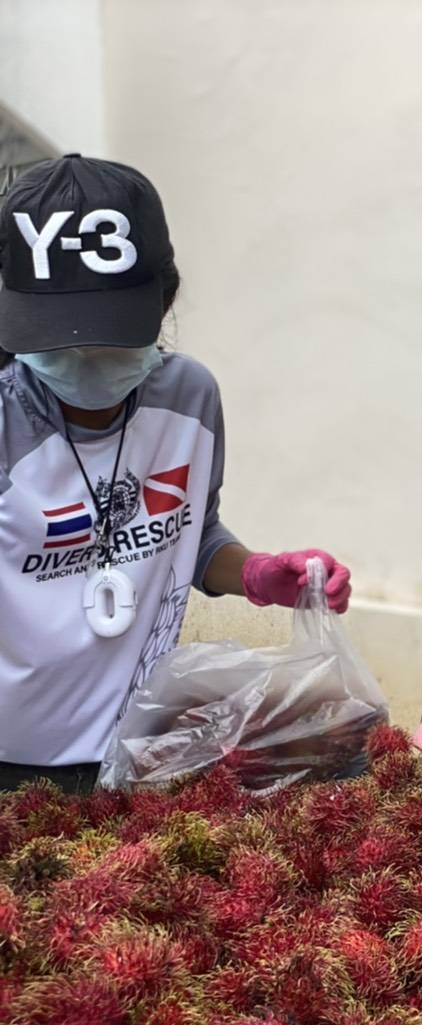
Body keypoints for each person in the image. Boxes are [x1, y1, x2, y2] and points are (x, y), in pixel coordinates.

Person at [0, 154, 353, 793]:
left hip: (140, 754)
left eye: (109, 335)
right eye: (61, 341)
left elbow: (192, 534)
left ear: (163, 303)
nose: (87, 356)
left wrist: (256, 573)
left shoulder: (189, 398)